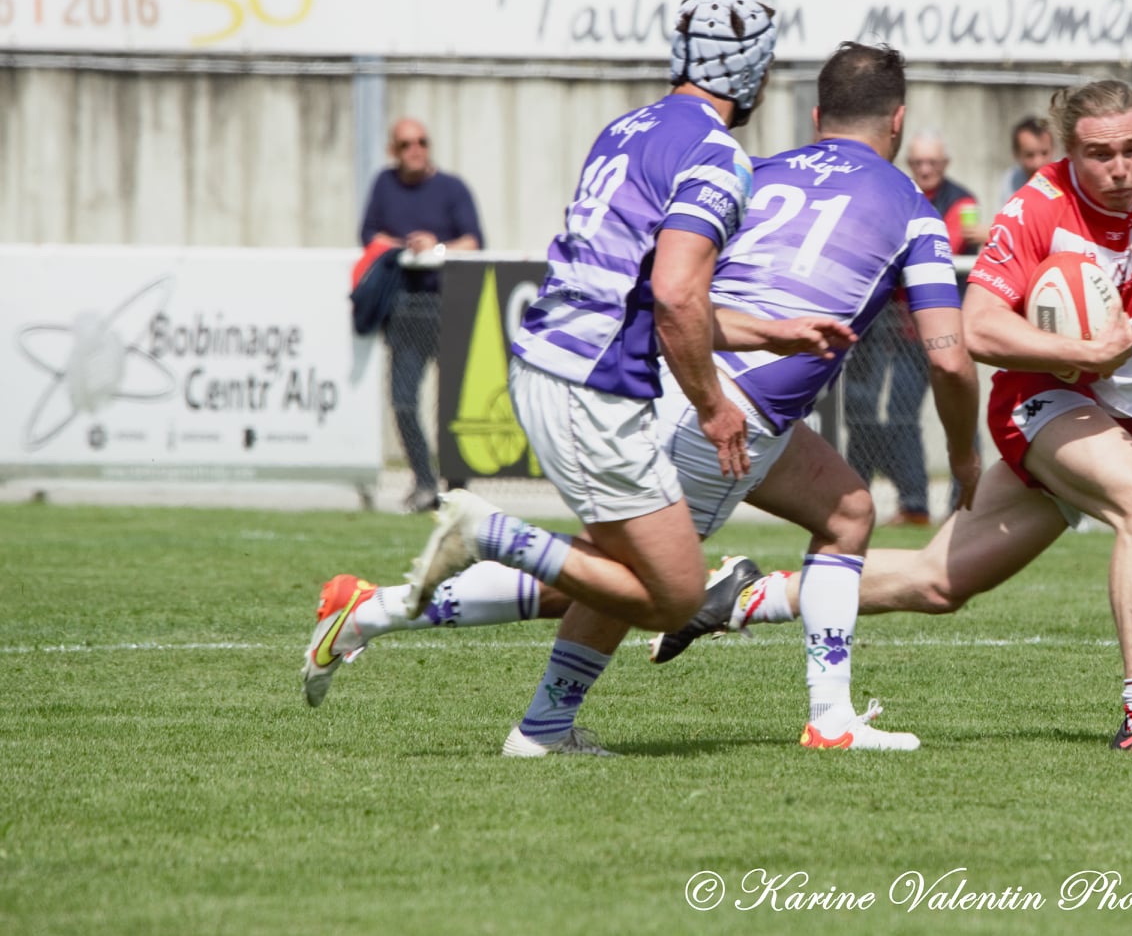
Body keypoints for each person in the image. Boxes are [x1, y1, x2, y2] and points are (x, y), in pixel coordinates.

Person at [304, 41, 976, 753]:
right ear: (897, 121)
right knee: (637, 582)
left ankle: (829, 717)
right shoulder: (914, 210)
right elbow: (949, 358)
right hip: (732, 414)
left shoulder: (753, 169)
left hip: (680, 375)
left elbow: (679, 281)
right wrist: (965, 458)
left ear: (816, 116)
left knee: (847, 510)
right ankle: (418, 636)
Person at [662, 79, 1132, 752]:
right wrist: (1083, 353)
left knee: (939, 582)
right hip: (1041, 402)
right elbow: (979, 327)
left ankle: (745, 595)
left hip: (1111, 419)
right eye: (1101, 154)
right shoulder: (1037, 206)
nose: (1121, 168)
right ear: (1067, 150)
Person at [844, 131, 981, 525]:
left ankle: (963, 503)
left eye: (932, 163)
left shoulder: (962, 201)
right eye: (918, 162)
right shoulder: (899, 193)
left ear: (944, 164)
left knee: (960, 416)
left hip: (944, 329)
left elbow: (944, 244)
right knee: (897, 415)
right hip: (901, 333)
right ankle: (915, 504)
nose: (925, 170)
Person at [358, 119, 483, 513]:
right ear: (393, 151)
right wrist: (406, 246)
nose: (415, 149)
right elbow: (369, 236)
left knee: (454, 406)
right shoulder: (384, 184)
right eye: (406, 144)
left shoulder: (452, 188)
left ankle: (457, 491)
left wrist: (436, 248)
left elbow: (474, 241)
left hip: (448, 304)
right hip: (405, 306)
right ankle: (424, 483)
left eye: (422, 142)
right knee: (404, 401)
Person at [996, 114, 1054, 203]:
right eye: (1029, 155)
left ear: (1053, 149)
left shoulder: (1066, 178)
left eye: (1044, 153)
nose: (1038, 163)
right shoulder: (1010, 182)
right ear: (1016, 154)